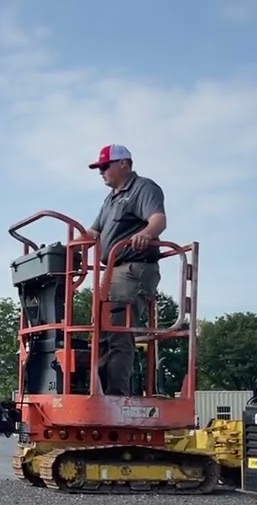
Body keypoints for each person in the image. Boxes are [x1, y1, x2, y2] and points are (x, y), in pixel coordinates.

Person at [84, 144, 166, 396]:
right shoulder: (111, 199)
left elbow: (158, 220)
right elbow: (93, 232)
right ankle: (98, 392)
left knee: (118, 329)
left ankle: (115, 395)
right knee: (100, 332)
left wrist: (146, 234)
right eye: (99, 168)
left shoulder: (143, 188)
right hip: (112, 271)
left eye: (104, 166)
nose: (101, 172)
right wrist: (68, 248)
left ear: (123, 164)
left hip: (133, 268)